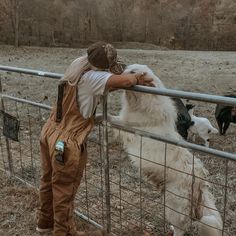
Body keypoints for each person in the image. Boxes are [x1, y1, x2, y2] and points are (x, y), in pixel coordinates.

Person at [36, 41, 153, 236]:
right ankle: (63, 232)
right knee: (65, 189)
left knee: (48, 181)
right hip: (68, 140)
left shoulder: (79, 64)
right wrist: (138, 78)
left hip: (50, 130)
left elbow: (105, 84)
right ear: (103, 68)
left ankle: (44, 222)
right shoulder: (93, 78)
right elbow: (124, 81)